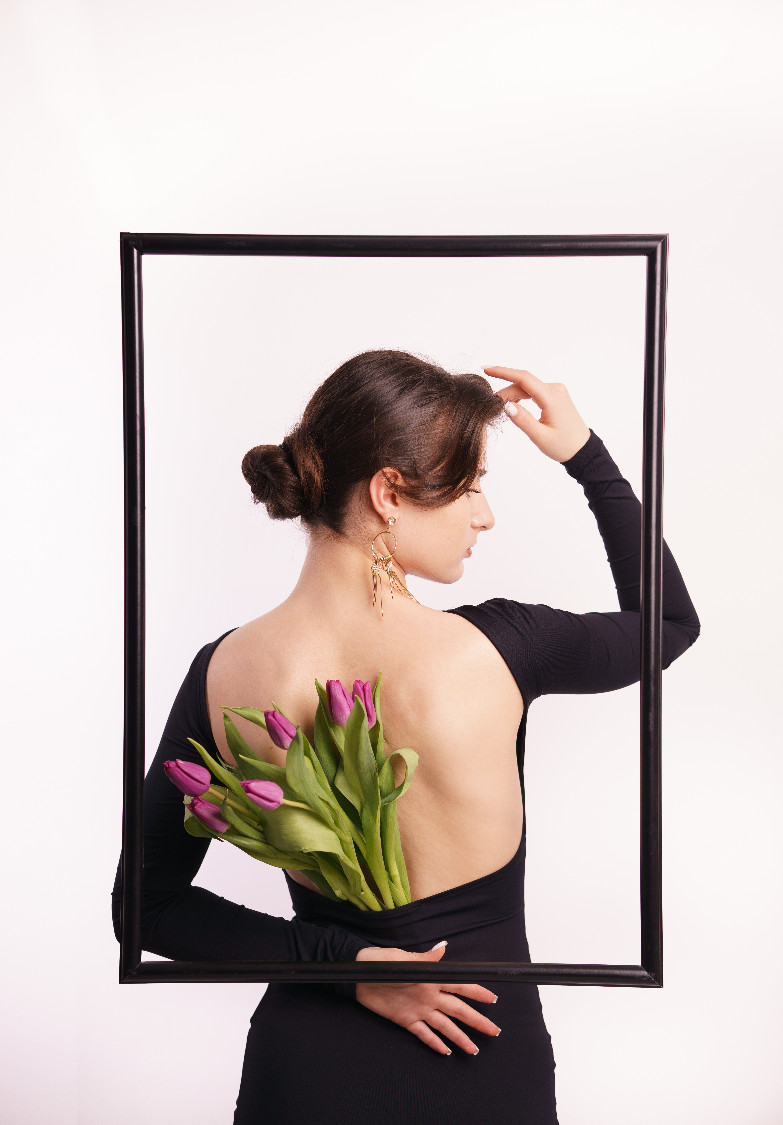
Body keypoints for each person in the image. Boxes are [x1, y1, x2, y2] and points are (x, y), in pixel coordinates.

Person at [112, 350, 700, 1124]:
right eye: (472, 485)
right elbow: (668, 623)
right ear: (389, 492)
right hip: (480, 1051)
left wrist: (345, 963)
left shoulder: (224, 670)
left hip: (306, 1064)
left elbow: (144, 908)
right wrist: (587, 459)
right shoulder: (500, 648)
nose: (484, 515)